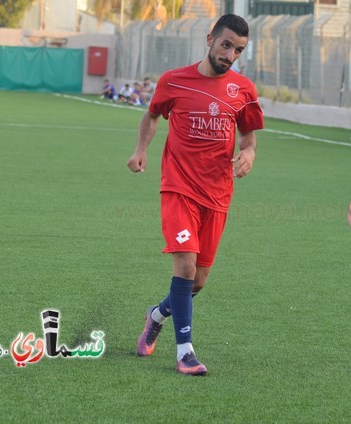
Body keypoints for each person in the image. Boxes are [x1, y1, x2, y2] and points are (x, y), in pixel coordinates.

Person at [126, 14, 264, 376]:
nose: (231, 54)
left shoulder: (244, 90)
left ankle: (155, 315)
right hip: (178, 186)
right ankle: (185, 353)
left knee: (197, 281)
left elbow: (249, 137)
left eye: (238, 49)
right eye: (226, 45)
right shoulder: (174, 81)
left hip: (218, 192)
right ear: (209, 39)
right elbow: (152, 115)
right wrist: (141, 150)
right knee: (184, 267)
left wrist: (248, 154)